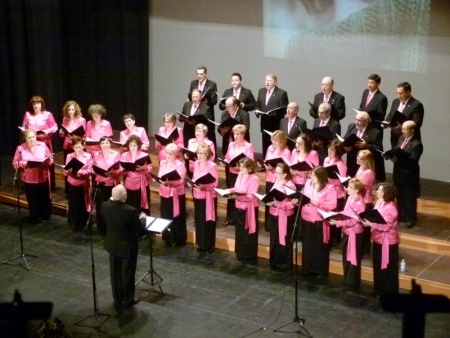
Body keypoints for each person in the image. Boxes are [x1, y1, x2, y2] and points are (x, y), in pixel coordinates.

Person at [101, 184, 147, 310]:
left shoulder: (104, 206)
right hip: (127, 246)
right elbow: (140, 230)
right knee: (127, 273)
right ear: (125, 197)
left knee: (115, 272)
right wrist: (142, 219)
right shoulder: (130, 211)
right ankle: (128, 299)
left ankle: (117, 298)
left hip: (112, 244)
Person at [362, 182, 399, 298]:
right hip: (378, 239)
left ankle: (387, 292)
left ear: (386, 194)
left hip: (387, 241)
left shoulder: (391, 208)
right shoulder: (380, 201)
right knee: (378, 265)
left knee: (386, 268)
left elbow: (387, 226)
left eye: (380, 190)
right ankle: (378, 288)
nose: (377, 191)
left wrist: (371, 224)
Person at [329, 178, 366, 289]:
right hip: (347, 232)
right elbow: (345, 213)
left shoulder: (360, 203)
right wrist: (334, 214)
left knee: (353, 257)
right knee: (346, 256)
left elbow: (353, 220)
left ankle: (352, 282)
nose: (347, 189)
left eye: (350, 187)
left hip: (354, 233)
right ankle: (347, 279)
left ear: (357, 190)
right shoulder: (350, 198)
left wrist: (338, 222)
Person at [300, 166, 337, 277]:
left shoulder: (329, 188)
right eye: (311, 174)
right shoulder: (308, 184)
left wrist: (319, 202)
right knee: (307, 244)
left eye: (313, 175)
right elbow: (302, 195)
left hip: (319, 220)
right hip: (307, 218)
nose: (311, 177)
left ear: (321, 177)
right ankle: (307, 268)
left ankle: (319, 269)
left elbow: (332, 205)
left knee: (319, 246)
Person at [12, 129, 53, 223]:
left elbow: (50, 158)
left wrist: (47, 162)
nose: (32, 139)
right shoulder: (20, 149)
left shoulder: (42, 145)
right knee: (33, 199)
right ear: (25, 139)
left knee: (43, 197)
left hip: (42, 175)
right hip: (29, 179)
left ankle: (45, 215)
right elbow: (15, 163)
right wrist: (23, 163)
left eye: (33, 137)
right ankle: (35, 216)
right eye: (29, 137)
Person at [223, 158, 260, 263]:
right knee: (240, 231)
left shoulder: (254, 178)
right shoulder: (240, 174)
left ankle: (248, 255)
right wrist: (227, 190)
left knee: (247, 232)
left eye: (243, 167)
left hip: (249, 209)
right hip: (239, 206)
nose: (240, 169)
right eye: (240, 166)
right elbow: (236, 188)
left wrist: (237, 197)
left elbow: (251, 196)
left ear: (249, 167)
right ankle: (240, 252)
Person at [389, 121, 423, 228]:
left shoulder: (417, 144)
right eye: (402, 129)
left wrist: (398, 159)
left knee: (409, 197)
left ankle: (411, 219)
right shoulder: (400, 139)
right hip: (398, 172)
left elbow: (413, 160)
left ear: (412, 130)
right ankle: (401, 216)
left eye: (405, 129)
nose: (402, 131)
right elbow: (397, 151)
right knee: (399, 195)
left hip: (409, 175)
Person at [22, 95, 57, 189]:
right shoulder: (28, 114)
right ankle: (33, 181)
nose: (36, 106)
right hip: (31, 143)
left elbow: (55, 127)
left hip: (44, 142)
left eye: (38, 103)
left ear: (41, 104)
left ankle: (48, 183)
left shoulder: (47, 114)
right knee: (33, 162)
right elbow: (24, 127)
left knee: (45, 163)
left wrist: (48, 131)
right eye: (34, 104)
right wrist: (25, 130)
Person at [266, 163, 297, 271]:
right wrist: (270, 202)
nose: (275, 174)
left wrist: (279, 204)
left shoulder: (290, 185)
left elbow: (293, 203)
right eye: (276, 172)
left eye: (278, 173)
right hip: (274, 213)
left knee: (284, 238)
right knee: (274, 238)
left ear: (284, 174)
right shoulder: (277, 182)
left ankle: (283, 263)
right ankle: (274, 261)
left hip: (285, 216)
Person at [223, 124, 254, 226]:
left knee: (240, 195)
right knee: (232, 194)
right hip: (232, 173)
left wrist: (239, 167)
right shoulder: (231, 144)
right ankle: (230, 218)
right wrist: (224, 161)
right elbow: (227, 157)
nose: (235, 136)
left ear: (243, 135)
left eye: (238, 134)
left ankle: (239, 218)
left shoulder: (248, 146)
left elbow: (250, 162)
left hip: (242, 175)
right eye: (234, 134)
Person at [190, 144, 218, 255]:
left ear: (207, 154)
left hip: (208, 197)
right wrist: (191, 183)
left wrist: (204, 187)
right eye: (198, 153)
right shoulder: (196, 164)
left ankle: (209, 245)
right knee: (199, 220)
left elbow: (215, 183)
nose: (200, 155)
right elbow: (194, 178)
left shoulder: (212, 165)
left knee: (208, 221)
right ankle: (200, 244)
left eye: (202, 153)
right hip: (198, 195)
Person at [157, 143, 187, 246]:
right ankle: (167, 237)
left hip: (176, 194)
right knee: (166, 215)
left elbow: (181, 181)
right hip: (165, 193)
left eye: (171, 153)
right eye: (167, 153)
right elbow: (160, 175)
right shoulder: (162, 163)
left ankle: (178, 238)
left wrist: (170, 183)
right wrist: (159, 180)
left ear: (175, 154)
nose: (168, 155)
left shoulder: (180, 165)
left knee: (177, 216)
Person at [255, 74, 289, 157]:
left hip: (275, 123)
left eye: (270, 81)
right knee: (265, 143)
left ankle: (275, 161)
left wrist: (274, 113)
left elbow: (284, 108)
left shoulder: (281, 93)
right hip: (264, 122)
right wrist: (257, 111)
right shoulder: (261, 91)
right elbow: (257, 104)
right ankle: (265, 162)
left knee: (275, 143)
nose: (267, 82)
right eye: (266, 80)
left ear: (275, 82)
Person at [92, 136, 121, 233]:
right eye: (103, 143)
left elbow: (119, 169)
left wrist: (113, 172)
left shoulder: (116, 154)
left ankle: (111, 228)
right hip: (100, 183)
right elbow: (93, 168)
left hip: (111, 184)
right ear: (99, 145)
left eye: (107, 143)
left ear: (110, 144)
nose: (105, 145)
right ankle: (101, 227)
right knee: (101, 207)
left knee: (111, 207)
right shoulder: (96, 154)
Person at [343, 111, 383, 180]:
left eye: (359, 120)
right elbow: (345, 139)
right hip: (351, 160)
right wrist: (345, 147)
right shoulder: (351, 126)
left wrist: (366, 145)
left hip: (364, 164)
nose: (356, 122)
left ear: (366, 121)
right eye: (356, 119)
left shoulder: (375, 132)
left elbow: (379, 148)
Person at [64, 137, 92, 232]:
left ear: (83, 146)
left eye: (80, 147)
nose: (78, 149)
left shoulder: (88, 156)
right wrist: (67, 171)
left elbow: (89, 170)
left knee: (83, 203)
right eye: (76, 147)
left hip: (83, 183)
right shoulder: (69, 156)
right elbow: (66, 170)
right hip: (72, 183)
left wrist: (79, 172)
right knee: (74, 204)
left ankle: (83, 222)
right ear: (73, 147)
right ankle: (74, 223)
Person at [384, 82, 424, 148]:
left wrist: (402, 127)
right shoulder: (395, 102)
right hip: (395, 137)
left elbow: (417, 124)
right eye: (397, 93)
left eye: (401, 93)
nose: (398, 96)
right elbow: (390, 115)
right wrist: (385, 122)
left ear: (408, 92)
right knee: (394, 156)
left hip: (408, 139)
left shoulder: (416, 105)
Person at [59, 100, 86, 193]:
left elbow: (84, 136)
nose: (71, 111)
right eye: (69, 109)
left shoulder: (81, 120)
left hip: (77, 146)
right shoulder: (65, 119)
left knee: (77, 167)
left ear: (76, 110)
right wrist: (61, 133)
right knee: (68, 167)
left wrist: (75, 137)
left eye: (72, 109)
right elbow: (64, 135)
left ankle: (78, 187)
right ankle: (68, 189)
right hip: (67, 145)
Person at [121, 135, 152, 214]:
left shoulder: (144, 155)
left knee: (139, 204)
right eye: (130, 145)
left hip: (140, 183)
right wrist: (122, 169)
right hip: (129, 181)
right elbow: (122, 168)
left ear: (138, 146)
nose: (132, 147)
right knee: (130, 203)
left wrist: (143, 168)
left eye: (134, 145)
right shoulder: (124, 155)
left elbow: (149, 169)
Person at [189, 66, 218, 148]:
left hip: (206, 113)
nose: (199, 76)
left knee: (210, 133)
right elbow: (191, 95)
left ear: (205, 74)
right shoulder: (193, 83)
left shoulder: (212, 84)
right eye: (198, 74)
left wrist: (205, 100)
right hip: (195, 111)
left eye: (201, 74)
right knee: (195, 132)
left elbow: (214, 101)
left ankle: (212, 152)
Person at [355, 149, 376, 254]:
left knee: (364, 226)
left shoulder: (368, 173)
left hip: (365, 201)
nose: (358, 159)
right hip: (359, 200)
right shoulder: (360, 168)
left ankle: (365, 248)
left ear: (367, 161)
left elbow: (362, 188)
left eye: (361, 158)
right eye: (357, 156)